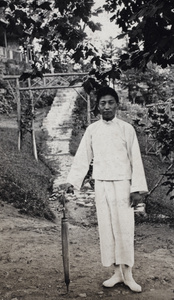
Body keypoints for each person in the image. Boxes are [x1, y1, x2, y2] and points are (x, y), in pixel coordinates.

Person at [65, 86, 148, 293]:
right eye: (103, 103)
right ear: (98, 106)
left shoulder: (126, 129)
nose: (107, 106)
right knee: (107, 228)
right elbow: (83, 157)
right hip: (101, 184)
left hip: (123, 185)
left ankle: (128, 274)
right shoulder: (93, 130)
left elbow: (135, 160)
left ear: (117, 104)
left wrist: (136, 189)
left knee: (125, 228)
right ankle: (116, 273)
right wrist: (71, 182)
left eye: (111, 102)